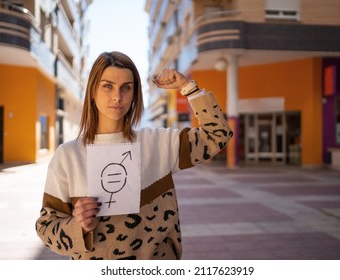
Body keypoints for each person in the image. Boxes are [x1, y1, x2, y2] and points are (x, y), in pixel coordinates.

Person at [35, 51, 233, 260]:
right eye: (107, 86)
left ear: (135, 94)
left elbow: (217, 135)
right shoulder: (68, 156)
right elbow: (46, 228)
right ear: (92, 90)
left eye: (126, 88)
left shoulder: (159, 143)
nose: (117, 97)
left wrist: (188, 88)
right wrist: (79, 227)